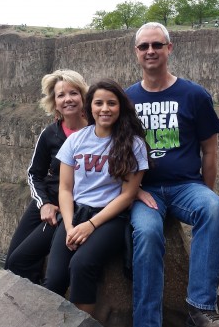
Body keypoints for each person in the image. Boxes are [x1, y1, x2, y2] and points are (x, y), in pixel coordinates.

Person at [125, 22, 219, 327]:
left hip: (186, 186)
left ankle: (201, 308)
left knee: (213, 207)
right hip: (144, 190)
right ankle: (147, 322)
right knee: (147, 234)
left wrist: (207, 190)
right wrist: (133, 192)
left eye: (157, 45)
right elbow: (116, 154)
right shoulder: (127, 100)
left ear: (169, 48)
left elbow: (210, 150)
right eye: (144, 46)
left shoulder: (194, 95)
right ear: (136, 53)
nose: (151, 51)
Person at [43, 79, 149, 316]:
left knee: (82, 266)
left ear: (120, 107)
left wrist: (90, 225)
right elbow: (66, 189)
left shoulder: (134, 144)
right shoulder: (76, 140)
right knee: (55, 278)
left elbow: (128, 195)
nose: (105, 109)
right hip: (76, 213)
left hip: (110, 217)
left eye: (111, 103)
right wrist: (70, 226)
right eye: (99, 103)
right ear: (89, 107)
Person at [4, 69, 89, 284]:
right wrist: (43, 204)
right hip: (47, 199)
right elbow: (34, 174)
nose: (68, 99)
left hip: (70, 205)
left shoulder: (96, 130)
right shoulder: (51, 133)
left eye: (73, 93)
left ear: (82, 95)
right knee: (11, 262)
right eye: (61, 95)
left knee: (21, 260)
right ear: (54, 102)